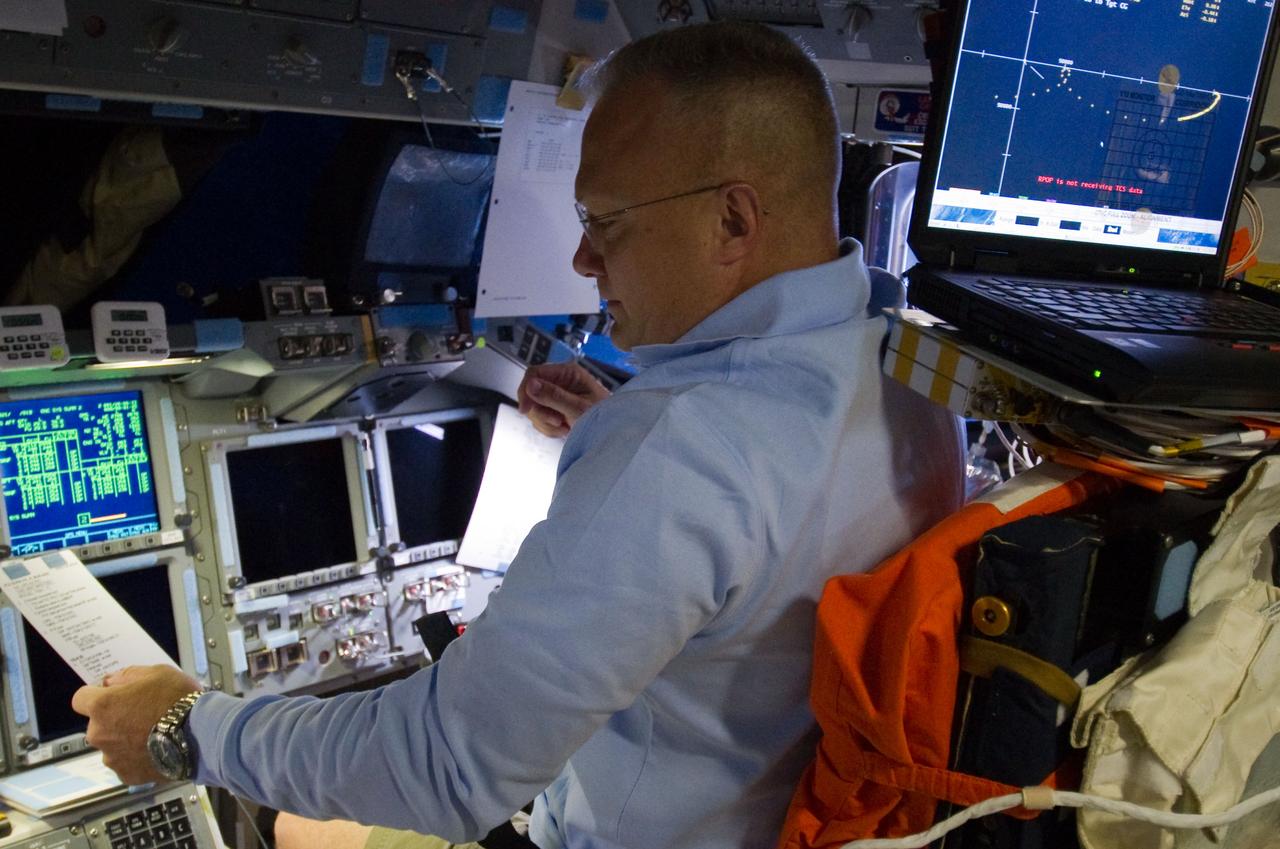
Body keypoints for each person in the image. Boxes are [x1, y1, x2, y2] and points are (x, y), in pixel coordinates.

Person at [72, 20, 965, 849]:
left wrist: (186, 727)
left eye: (604, 221)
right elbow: (760, 508)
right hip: (780, 814)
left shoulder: (677, 449)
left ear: (733, 219)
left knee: (299, 827)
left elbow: (446, 767)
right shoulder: (907, 367)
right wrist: (618, 423)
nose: (584, 260)